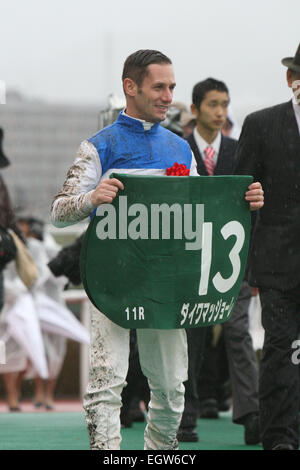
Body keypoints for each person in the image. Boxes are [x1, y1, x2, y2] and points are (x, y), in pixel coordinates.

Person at [51, 49, 264, 450]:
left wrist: (244, 200)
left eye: (172, 87)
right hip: (110, 280)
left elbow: (204, 212)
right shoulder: (97, 146)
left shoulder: (181, 149)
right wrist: (91, 199)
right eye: (159, 87)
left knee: (170, 389)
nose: (168, 96)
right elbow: (59, 211)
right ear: (130, 88)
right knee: (106, 381)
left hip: (167, 283)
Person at [177, 78, 260, 445]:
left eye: (224, 103)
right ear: (195, 110)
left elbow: (253, 208)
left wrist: (253, 263)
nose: (220, 111)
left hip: (231, 262)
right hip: (188, 265)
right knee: (189, 340)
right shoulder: (176, 150)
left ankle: (252, 414)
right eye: (212, 104)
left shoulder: (241, 149)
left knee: (239, 334)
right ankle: (185, 417)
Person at [234, 43, 300, 451]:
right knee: (280, 349)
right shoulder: (261, 124)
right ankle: (279, 440)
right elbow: (236, 194)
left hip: (277, 256)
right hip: (277, 260)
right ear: (292, 79)